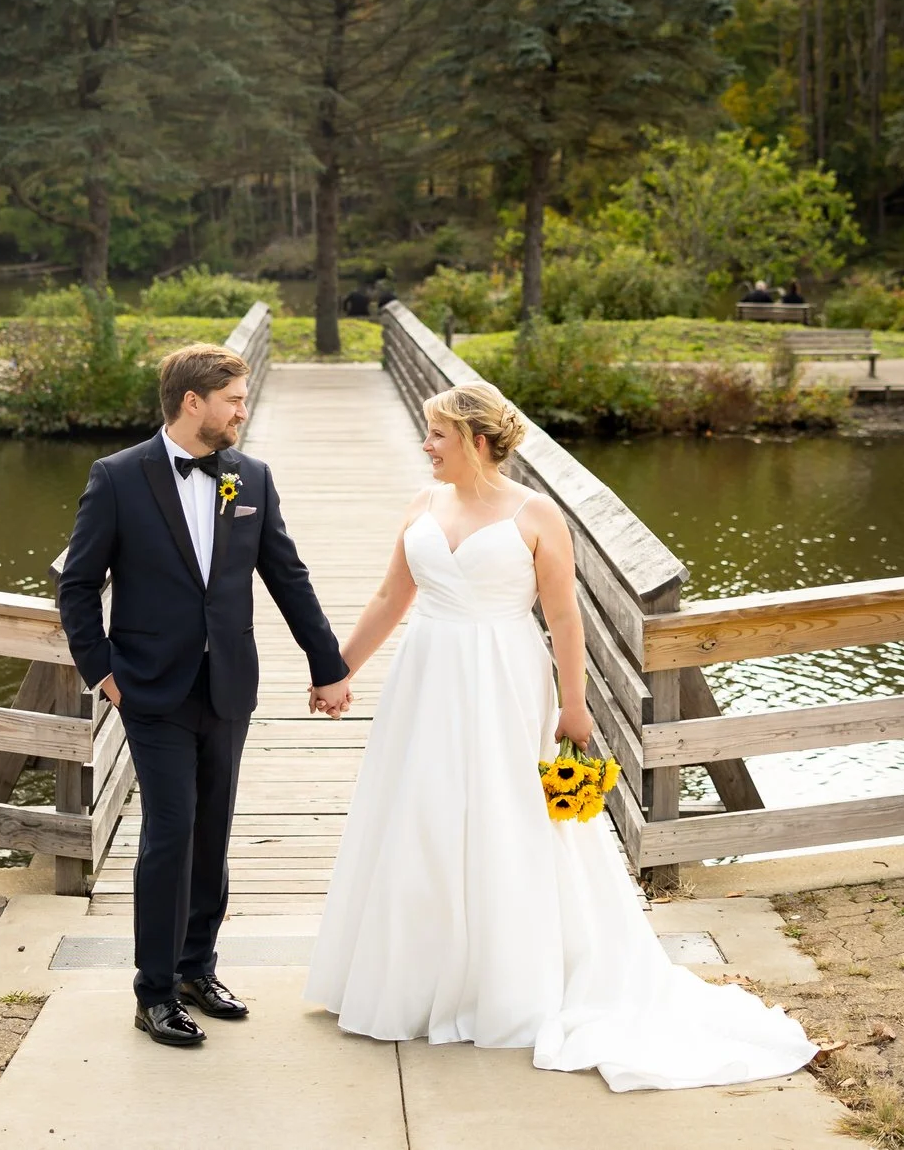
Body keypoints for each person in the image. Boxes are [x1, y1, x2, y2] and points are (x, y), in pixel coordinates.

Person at [304, 381, 815, 1091]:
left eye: (437, 436)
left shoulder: (536, 514)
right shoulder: (422, 505)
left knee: (509, 817)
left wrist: (574, 706)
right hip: (427, 678)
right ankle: (416, 977)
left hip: (507, 681)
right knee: (419, 813)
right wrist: (337, 672)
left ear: (477, 441)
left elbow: (566, 618)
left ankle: (506, 979)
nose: (427, 447)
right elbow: (392, 597)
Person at [55, 344, 353, 1048]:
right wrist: (102, 671)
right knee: (170, 831)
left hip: (227, 686)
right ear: (194, 402)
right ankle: (152, 990)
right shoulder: (118, 477)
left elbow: (288, 574)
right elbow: (76, 585)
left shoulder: (250, 477)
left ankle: (197, 968)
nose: (244, 411)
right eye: (235, 400)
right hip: (150, 688)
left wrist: (328, 663)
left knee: (212, 829)